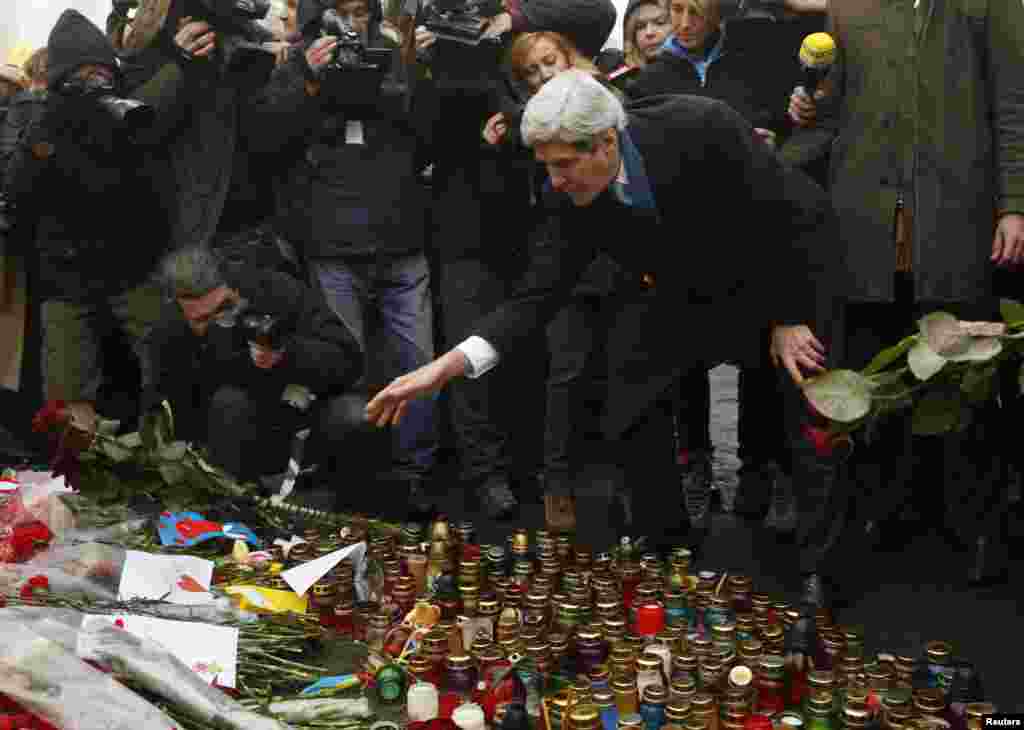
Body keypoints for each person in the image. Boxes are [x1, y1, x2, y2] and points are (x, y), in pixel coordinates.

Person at [368, 70, 836, 564]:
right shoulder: (566, 192)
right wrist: (444, 367)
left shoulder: (700, 125)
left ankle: (816, 569)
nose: (554, 180)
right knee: (631, 398)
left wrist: (787, 316)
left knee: (811, 400)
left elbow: (778, 213)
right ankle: (667, 548)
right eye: (547, 166)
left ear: (607, 143)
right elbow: (535, 299)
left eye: (565, 164)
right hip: (682, 289)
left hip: (785, 268)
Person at [788, 0, 1024, 587]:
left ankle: (971, 529)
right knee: (872, 377)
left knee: (964, 379)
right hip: (865, 224)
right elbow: (830, 112)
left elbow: (1013, 108)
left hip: (954, 223)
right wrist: (806, 112)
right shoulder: (850, 7)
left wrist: (1015, 205)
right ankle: (875, 520)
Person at [412, 0, 617, 520]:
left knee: (529, 358)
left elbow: (596, 14)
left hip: (532, 230)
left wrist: (511, 18)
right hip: (466, 230)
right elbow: (419, 135)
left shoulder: (516, 28)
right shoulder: (434, 41)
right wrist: (421, 66)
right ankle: (485, 476)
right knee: (471, 355)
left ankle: (531, 470)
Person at [626, 0, 804, 533]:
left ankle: (756, 470)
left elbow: (784, 124)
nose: (682, 24)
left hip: (748, 233)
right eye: (674, 10)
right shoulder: (651, 75)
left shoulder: (754, 58)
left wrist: (773, 141)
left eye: (694, 10)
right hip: (685, 237)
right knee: (686, 368)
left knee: (757, 360)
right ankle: (695, 467)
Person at [274, 0, 439, 519]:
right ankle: (349, 475)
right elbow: (267, 139)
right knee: (342, 365)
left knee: (418, 363)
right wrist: (307, 77)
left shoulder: (398, 55)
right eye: (340, 11)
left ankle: (416, 476)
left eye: (359, 11)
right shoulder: (299, 60)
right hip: (329, 241)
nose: (351, 23)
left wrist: (406, 75)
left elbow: (431, 135)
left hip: (400, 235)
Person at [3, 10, 193, 438]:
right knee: (69, 393)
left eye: (103, 72)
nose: (97, 82)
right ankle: (79, 476)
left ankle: (161, 461)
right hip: (67, 279)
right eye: (85, 75)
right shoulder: (44, 122)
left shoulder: (132, 115)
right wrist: (49, 132)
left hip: (133, 271)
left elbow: (157, 192)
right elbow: (19, 194)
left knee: (160, 375)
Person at [482, 31, 627, 533]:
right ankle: (557, 483)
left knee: (624, 369)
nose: (543, 75)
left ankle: (626, 481)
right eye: (531, 71)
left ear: (569, 57)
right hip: (560, 263)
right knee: (565, 376)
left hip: (620, 258)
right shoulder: (524, 124)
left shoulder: (600, 100)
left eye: (550, 62)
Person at [147, 246, 381, 505]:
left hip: (304, 415)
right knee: (229, 403)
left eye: (225, 307)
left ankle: (356, 511)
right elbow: (170, 409)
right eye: (202, 319)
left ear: (233, 285)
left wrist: (288, 355)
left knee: (357, 413)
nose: (218, 321)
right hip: (232, 432)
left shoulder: (275, 289)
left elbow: (348, 361)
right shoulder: (169, 331)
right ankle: (235, 510)